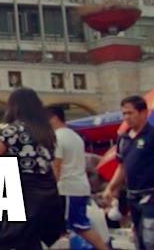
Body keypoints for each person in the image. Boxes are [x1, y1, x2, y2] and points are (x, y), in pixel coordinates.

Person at [0, 88, 64, 250]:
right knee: (30, 243)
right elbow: (53, 168)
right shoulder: (47, 133)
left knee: (0, 244)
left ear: (13, 107)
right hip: (48, 197)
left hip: (22, 197)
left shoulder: (11, 131)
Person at [101, 95, 154, 250]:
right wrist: (111, 187)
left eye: (130, 113)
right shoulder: (123, 139)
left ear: (144, 113)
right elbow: (122, 167)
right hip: (133, 195)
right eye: (124, 113)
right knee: (139, 238)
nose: (127, 117)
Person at [49, 107, 110, 250]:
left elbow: (57, 167)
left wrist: (50, 188)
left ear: (54, 118)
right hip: (78, 186)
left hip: (67, 188)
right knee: (75, 225)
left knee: (79, 226)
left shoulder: (57, 137)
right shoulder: (75, 136)